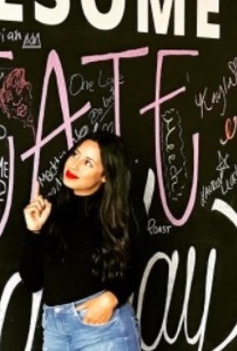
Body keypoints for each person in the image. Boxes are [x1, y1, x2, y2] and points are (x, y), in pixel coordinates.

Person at [18, 131, 146, 350]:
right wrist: (34, 231)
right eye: (75, 155)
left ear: (105, 175)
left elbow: (139, 257)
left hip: (103, 327)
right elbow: (32, 281)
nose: (74, 165)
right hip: (54, 327)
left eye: (87, 162)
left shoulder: (119, 210)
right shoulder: (50, 208)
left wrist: (113, 297)